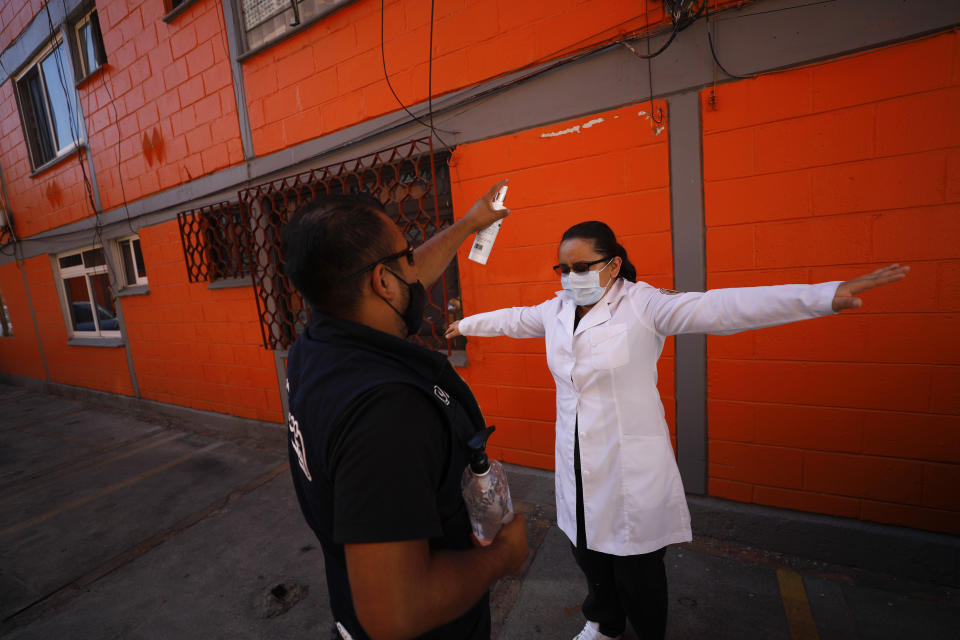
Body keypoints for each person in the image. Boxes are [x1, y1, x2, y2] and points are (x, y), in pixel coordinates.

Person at [445, 220, 909, 640]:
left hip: (629, 464)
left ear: (613, 265)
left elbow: (721, 308)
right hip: (575, 456)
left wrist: (823, 295)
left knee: (638, 567)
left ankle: (648, 632)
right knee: (588, 553)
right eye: (562, 268)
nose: (570, 277)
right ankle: (605, 623)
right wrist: (464, 323)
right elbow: (512, 319)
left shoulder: (643, 304)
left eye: (581, 266)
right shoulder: (558, 310)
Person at [281, 181, 529, 640]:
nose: (417, 266)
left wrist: (472, 223)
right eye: (407, 257)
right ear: (381, 281)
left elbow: (403, 281)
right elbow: (395, 611)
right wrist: (502, 558)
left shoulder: (313, 348)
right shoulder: (387, 415)